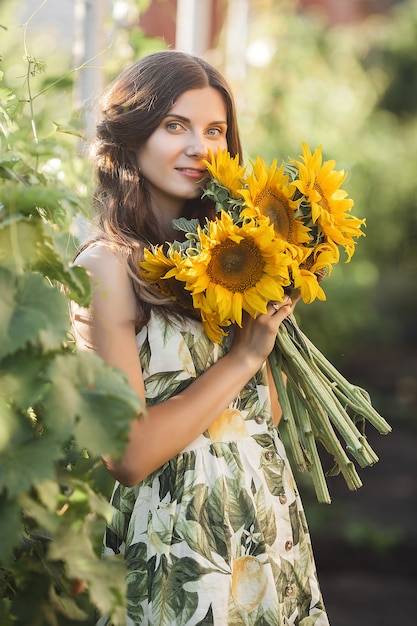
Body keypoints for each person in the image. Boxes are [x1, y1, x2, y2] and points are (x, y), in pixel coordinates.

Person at [71, 49, 330, 626]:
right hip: (179, 557)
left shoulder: (223, 260)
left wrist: (269, 278)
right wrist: (243, 358)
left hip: (264, 535)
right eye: (174, 126)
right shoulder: (107, 268)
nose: (199, 148)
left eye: (215, 130)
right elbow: (129, 454)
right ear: (131, 135)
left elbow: (265, 416)